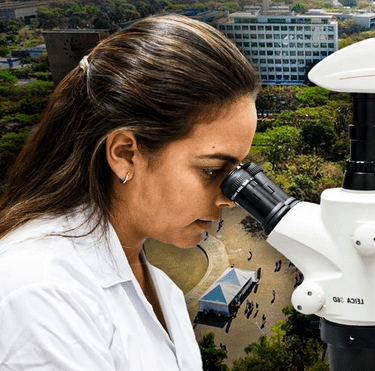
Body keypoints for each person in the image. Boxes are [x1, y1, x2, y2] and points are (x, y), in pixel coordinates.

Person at [0, 15, 259, 370]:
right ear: (124, 154)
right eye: (212, 170)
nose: (230, 197)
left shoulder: (159, 285)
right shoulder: (41, 291)